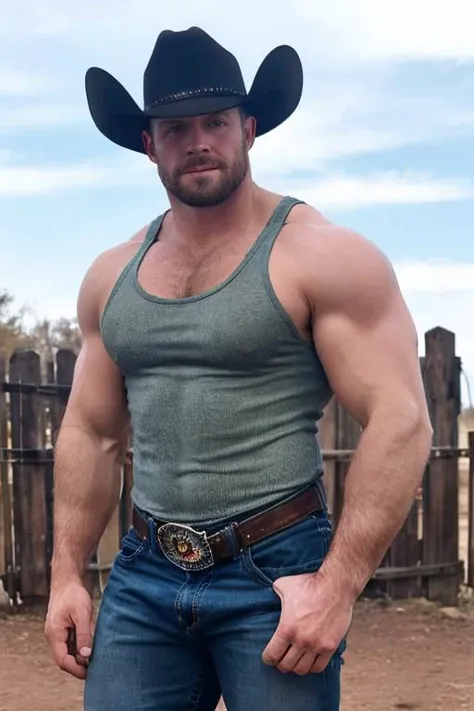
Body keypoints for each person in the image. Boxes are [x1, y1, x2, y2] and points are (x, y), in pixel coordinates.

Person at [44, 26, 433, 711]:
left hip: (277, 571)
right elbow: (92, 430)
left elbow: (400, 419)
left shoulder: (321, 256)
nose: (198, 140)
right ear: (148, 144)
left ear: (249, 129)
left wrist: (335, 587)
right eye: (175, 127)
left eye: (216, 122)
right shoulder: (112, 275)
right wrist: (66, 575)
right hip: (143, 573)